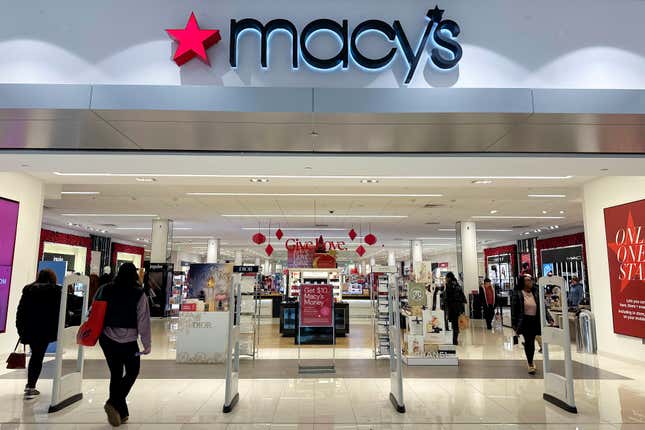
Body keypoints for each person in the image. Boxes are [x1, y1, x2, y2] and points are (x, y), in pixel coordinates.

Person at [99, 263, 151, 427]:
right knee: (133, 371)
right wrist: (146, 343)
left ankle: (121, 412)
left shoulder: (105, 289)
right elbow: (143, 321)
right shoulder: (138, 294)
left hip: (107, 338)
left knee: (116, 373)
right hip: (128, 341)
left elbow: (93, 311)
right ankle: (113, 403)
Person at [15, 269, 62, 400]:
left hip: (30, 329)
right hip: (45, 330)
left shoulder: (29, 290)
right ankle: (31, 386)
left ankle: (30, 385)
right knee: (37, 357)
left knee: (36, 356)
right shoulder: (56, 291)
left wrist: (20, 328)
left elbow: (21, 310)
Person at [512, 274, 543, 375]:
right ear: (523, 282)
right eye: (527, 280)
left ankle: (531, 360)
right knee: (529, 342)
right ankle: (530, 363)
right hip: (524, 321)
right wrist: (514, 324)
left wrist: (549, 318)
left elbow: (542, 306)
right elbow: (514, 309)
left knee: (532, 343)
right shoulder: (518, 293)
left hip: (535, 320)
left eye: (530, 280)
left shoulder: (536, 292)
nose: (530, 282)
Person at [444, 271, 467, 346]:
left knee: (455, 324)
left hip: (453, 307)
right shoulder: (457, 284)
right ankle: (455, 338)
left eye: (446, 278)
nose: (445, 279)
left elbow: (448, 297)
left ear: (449, 278)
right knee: (456, 323)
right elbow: (461, 296)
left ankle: (455, 341)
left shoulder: (449, 285)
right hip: (458, 307)